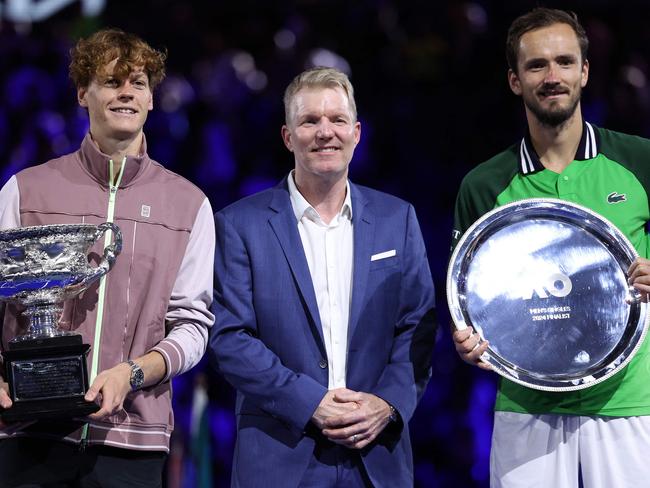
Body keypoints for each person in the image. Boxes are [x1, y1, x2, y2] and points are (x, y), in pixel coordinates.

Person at [0, 29, 214, 486]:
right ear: (83, 93)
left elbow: (193, 327)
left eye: (137, 83)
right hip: (28, 434)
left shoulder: (189, 204)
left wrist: (130, 374)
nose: (126, 93)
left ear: (152, 99)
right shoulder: (25, 190)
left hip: (132, 439)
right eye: (111, 81)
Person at [209, 66, 436, 487]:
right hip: (280, 453)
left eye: (337, 120)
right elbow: (229, 338)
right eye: (310, 120)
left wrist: (385, 404)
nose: (325, 132)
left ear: (357, 132)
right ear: (287, 136)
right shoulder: (239, 225)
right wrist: (310, 402)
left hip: (376, 454)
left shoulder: (397, 219)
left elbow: (417, 327)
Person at [452, 7, 650, 487]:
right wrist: (468, 336)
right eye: (536, 65)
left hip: (629, 403)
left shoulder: (639, 160)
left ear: (584, 71)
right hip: (527, 404)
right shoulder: (484, 185)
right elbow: (466, 295)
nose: (552, 76)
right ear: (515, 81)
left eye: (564, 62)